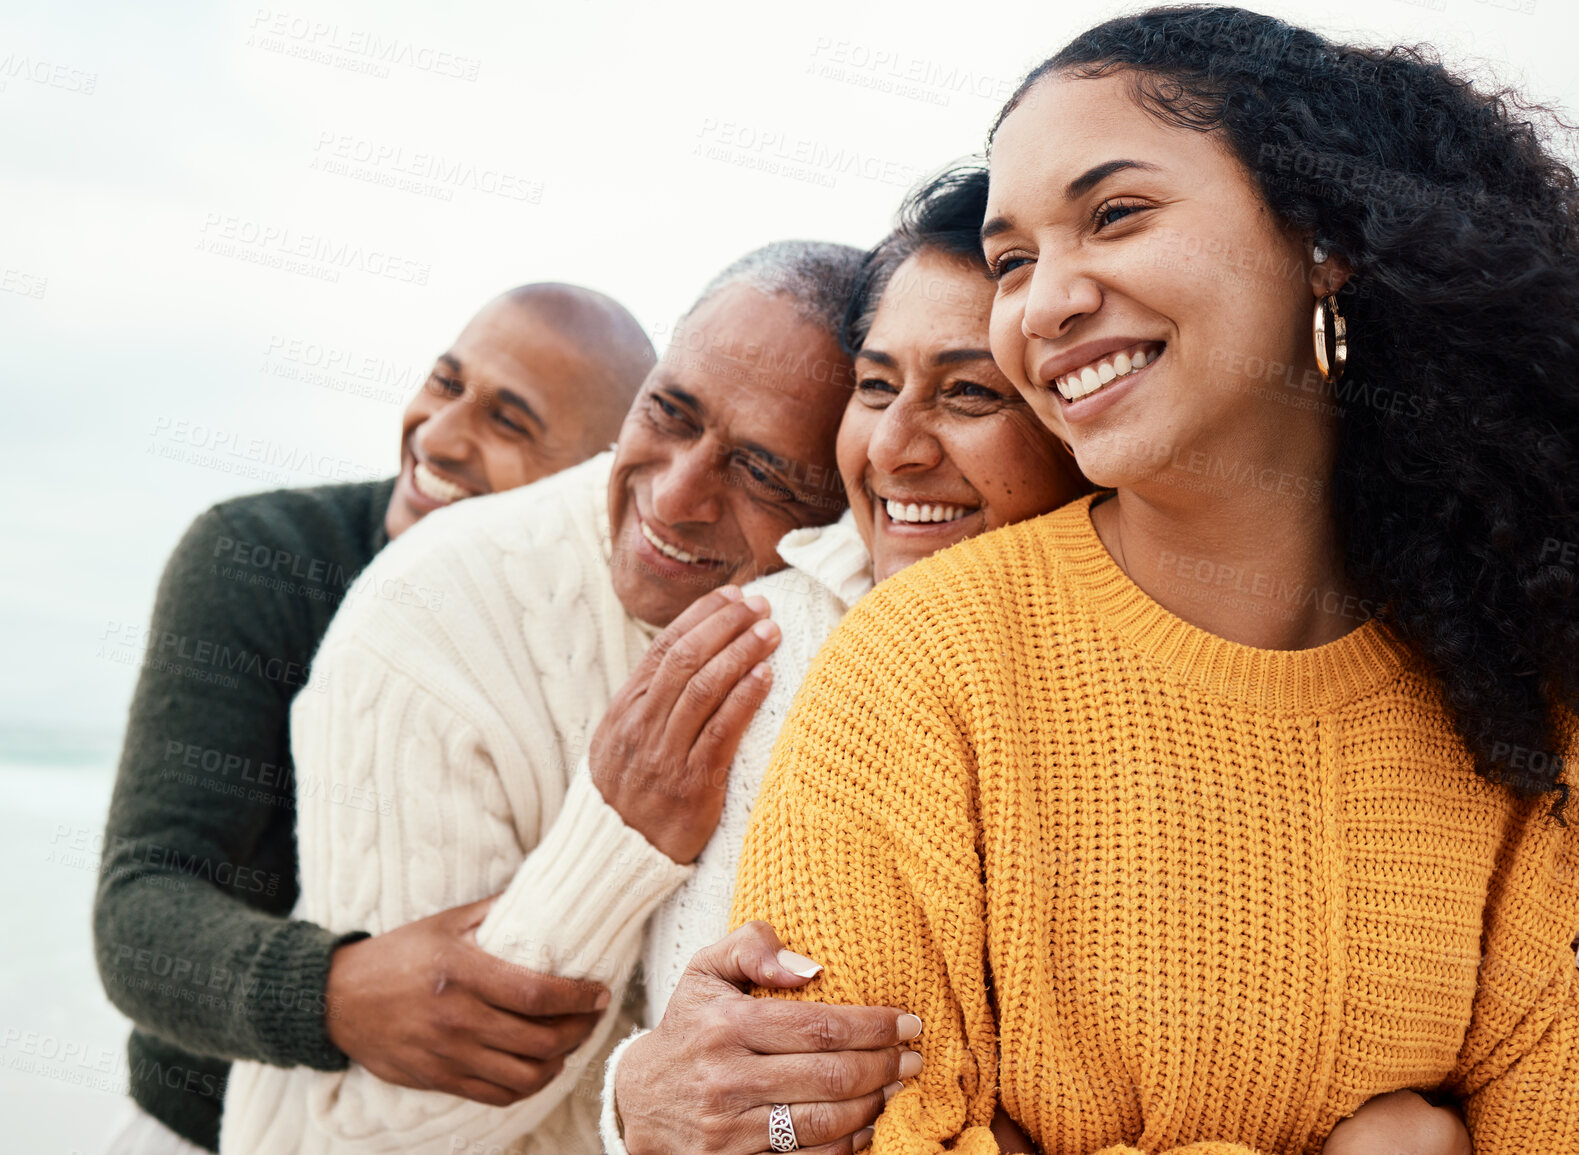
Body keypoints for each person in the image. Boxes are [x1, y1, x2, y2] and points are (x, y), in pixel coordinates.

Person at [730, 7, 1579, 1154]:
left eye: (1116, 214)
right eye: (1013, 261)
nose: (1047, 302)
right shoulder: (917, 672)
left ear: (1323, 236)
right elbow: (821, 1138)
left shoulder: (1522, 701)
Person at [217, 241, 867, 1155]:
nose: (674, 498)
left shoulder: (852, 625)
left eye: (762, 473)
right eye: (666, 412)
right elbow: (369, 1132)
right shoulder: (427, 618)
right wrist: (620, 829)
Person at [92, 282, 657, 1155]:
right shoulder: (264, 557)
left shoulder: (614, 637)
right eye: (444, 381)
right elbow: (140, 908)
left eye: (509, 421)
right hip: (197, 1128)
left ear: (595, 479)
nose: (437, 433)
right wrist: (336, 991)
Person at [600, 164, 1090, 1154]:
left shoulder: (1157, 676)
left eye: (967, 393)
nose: (896, 447)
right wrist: (635, 1109)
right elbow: (670, 1068)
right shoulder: (755, 646)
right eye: (875, 387)